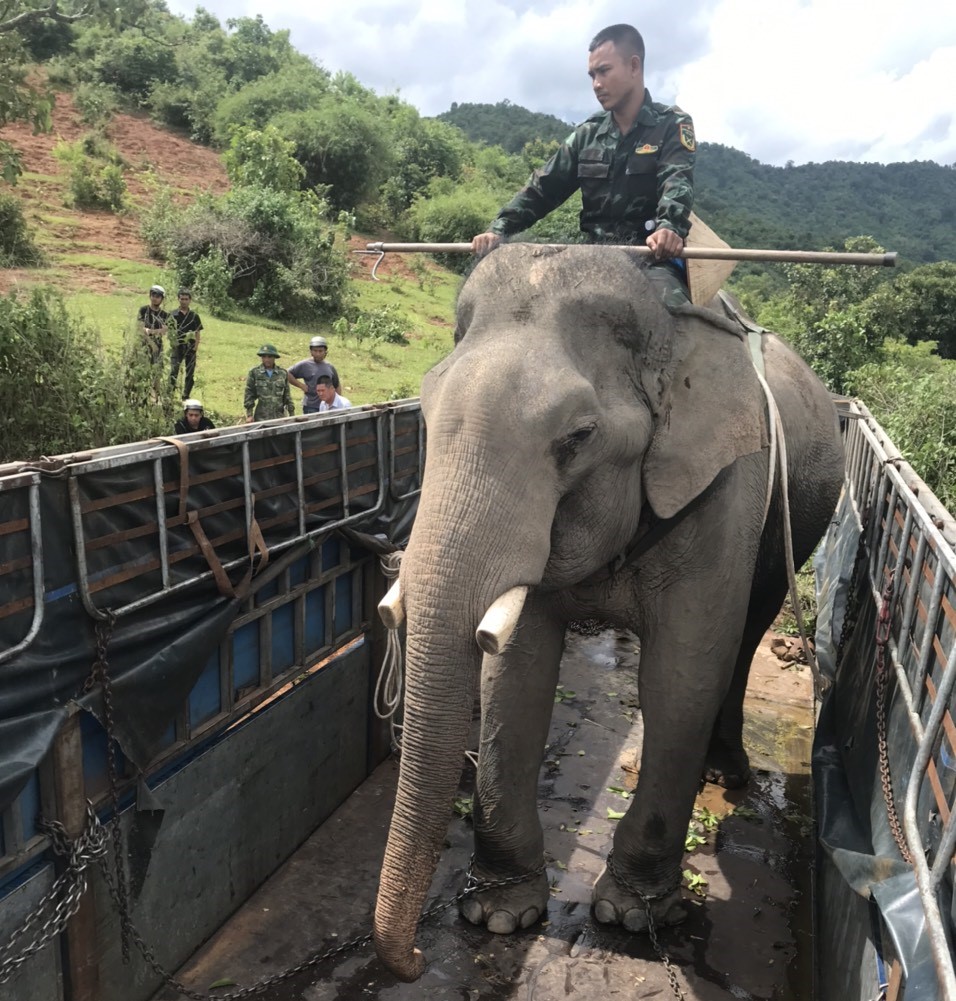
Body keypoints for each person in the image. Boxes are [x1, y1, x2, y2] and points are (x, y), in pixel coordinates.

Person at [471, 23, 695, 307]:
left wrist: (669, 228)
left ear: (634, 66)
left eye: (604, 71)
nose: (596, 84)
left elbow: (677, 181)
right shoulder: (587, 135)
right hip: (593, 258)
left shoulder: (671, 125)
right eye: (592, 75)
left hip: (652, 258)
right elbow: (542, 189)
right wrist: (499, 229)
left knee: (670, 316)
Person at [287, 336, 341, 414]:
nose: (318, 354)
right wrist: (301, 385)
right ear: (311, 352)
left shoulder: (330, 367)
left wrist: (337, 402)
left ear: (325, 352)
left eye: (320, 351)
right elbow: (287, 373)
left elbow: (337, 385)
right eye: (315, 351)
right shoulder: (305, 365)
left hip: (327, 406)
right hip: (311, 407)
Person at [244, 344, 294, 423]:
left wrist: (292, 414)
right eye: (264, 357)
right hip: (261, 417)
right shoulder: (255, 373)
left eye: (270, 357)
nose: (267, 359)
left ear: (274, 357)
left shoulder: (282, 373)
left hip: (279, 417)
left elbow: (287, 396)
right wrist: (249, 415)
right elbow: (249, 394)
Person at [168, 288, 204, 399]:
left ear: (190, 300)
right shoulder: (173, 314)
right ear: (178, 299)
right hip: (177, 347)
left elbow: (197, 332)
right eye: (182, 299)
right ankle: (169, 394)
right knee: (174, 371)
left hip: (190, 348)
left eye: (186, 299)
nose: (184, 301)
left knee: (190, 373)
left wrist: (195, 347)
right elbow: (169, 331)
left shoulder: (194, 316)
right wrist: (173, 343)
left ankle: (185, 395)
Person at [137, 284, 168, 364]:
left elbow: (164, 331)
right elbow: (140, 328)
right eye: (153, 295)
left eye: (157, 297)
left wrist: (149, 331)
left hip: (158, 345)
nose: (155, 298)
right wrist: (151, 343)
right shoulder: (143, 310)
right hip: (143, 344)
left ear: (162, 299)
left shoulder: (164, 315)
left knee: (157, 370)